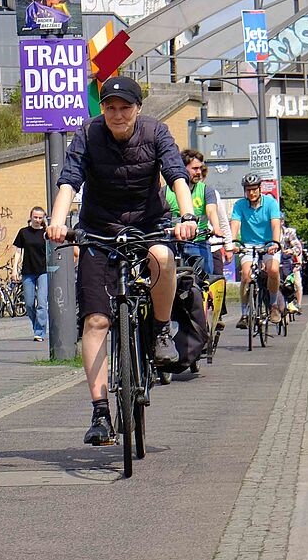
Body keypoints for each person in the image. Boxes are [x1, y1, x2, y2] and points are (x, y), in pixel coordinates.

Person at [45, 75, 198, 446]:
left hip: (149, 224)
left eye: (124, 108)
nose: (116, 114)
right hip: (99, 229)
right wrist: (57, 221)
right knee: (96, 319)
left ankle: (161, 329)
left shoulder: (156, 132)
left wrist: (188, 216)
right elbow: (69, 179)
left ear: (138, 109)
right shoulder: (88, 134)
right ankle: (100, 410)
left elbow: (176, 174)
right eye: (109, 107)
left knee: (163, 256)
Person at [229, 174, 283, 327]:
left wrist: (275, 243)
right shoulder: (240, 205)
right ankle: (245, 314)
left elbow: (275, 224)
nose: (251, 193)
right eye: (248, 190)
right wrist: (232, 242)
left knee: (273, 270)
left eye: (254, 189)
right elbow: (235, 224)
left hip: (269, 244)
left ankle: (273, 305)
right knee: (246, 276)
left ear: (260, 189)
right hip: (248, 245)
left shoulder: (271, 203)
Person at [166, 148, 223, 279]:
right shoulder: (167, 191)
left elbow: (211, 210)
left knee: (204, 281)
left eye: (200, 168)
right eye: (195, 169)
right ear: (182, 168)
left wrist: (216, 228)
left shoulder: (206, 191)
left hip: (198, 243)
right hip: (174, 243)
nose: (199, 172)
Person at [11, 206, 49, 342]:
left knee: (42, 303)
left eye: (40, 217)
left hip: (43, 271)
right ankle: (36, 326)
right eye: (35, 217)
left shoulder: (46, 233)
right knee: (28, 303)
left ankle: (39, 331)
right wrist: (14, 269)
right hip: (28, 271)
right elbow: (18, 252)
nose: (38, 220)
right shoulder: (23, 232)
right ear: (31, 217)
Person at [280, 225, 305, 315]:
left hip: (290, 261)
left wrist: (291, 251)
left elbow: (298, 248)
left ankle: (298, 304)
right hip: (277, 261)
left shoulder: (289, 232)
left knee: (297, 283)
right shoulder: (266, 231)